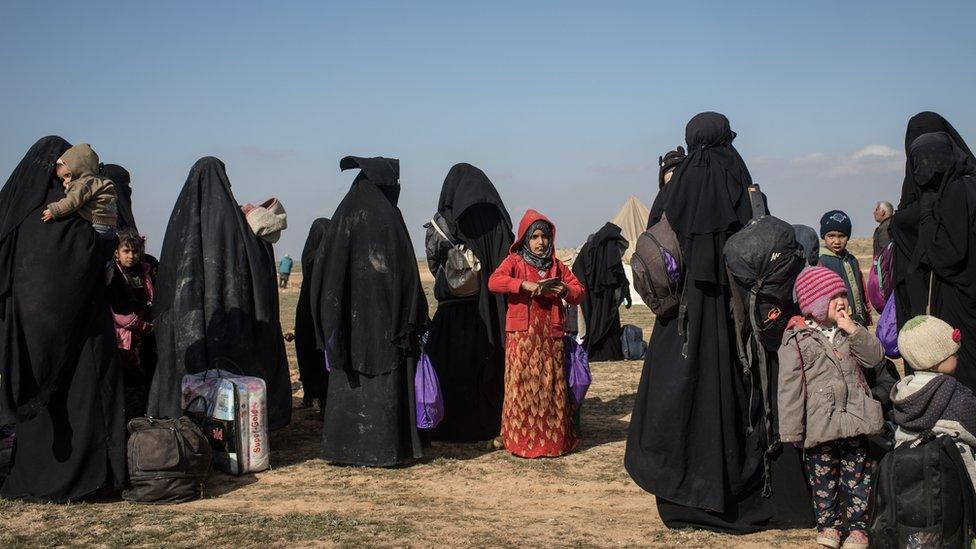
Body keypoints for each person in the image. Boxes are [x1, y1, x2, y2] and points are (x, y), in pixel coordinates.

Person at [626, 112, 814, 533]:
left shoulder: (671, 195)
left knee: (682, 400)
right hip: (735, 322)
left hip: (682, 325)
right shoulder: (739, 182)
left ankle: (683, 498)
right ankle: (741, 491)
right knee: (739, 396)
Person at [0, 136, 125, 501]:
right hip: (81, 334)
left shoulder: (18, 215)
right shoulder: (62, 214)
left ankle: (33, 475)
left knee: (40, 407)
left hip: (29, 334)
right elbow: (86, 256)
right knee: (81, 400)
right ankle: (87, 478)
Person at [148, 157, 292, 431]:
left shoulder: (180, 223)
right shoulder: (235, 223)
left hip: (193, 325)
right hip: (234, 325)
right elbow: (259, 266)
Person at [310, 156, 428, 466]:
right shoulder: (390, 219)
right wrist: (414, 316)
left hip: (347, 327)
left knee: (349, 382)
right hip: (388, 329)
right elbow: (407, 277)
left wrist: (328, 321)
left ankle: (342, 448)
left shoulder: (342, 217)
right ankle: (387, 449)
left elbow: (322, 278)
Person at [778, 266, 885, 549]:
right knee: (823, 480)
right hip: (819, 426)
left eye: (843, 294)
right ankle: (829, 526)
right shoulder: (796, 338)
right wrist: (792, 431)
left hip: (853, 420)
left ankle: (859, 528)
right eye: (833, 296)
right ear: (813, 303)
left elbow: (875, 358)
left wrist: (852, 329)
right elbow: (789, 387)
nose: (841, 301)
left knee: (858, 478)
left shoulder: (849, 330)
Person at [425, 163, 514, 443]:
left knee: (448, 372)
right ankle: (489, 423)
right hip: (489, 311)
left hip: (451, 313)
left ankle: (446, 426)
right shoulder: (497, 218)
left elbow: (433, 264)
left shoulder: (444, 222)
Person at [488, 209, 585, 458]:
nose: (540, 242)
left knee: (550, 385)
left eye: (544, 237)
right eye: (535, 237)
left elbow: (579, 291)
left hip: (550, 338)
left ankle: (552, 442)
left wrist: (564, 290)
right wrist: (523, 285)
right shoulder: (515, 262)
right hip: (522, 338)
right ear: (525, 239)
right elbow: (494, 282)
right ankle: (519, 441)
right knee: (522, 387)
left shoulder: (556, 266)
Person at [893, 131, 976, 392]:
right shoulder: (968, 186)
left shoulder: (953, 193)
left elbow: (946, 254)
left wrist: (928, 213)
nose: (926, 173)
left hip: (959, 303)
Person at [891, 316, 976, 479]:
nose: (957, 356)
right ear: (933, 359)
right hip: (958, 480)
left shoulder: (904, 393)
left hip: (917, 482)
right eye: (952, 353)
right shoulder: (955, 395)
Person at [108, 228, 157, 422]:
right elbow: (117, 312)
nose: (131, 256)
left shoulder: (144, 271)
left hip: (141, 339)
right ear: (117, 252)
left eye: (135, 251)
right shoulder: (113, 274)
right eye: (126, 251)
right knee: (128, 385)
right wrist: (141, 325)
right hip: (123, 340)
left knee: (141, 384)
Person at [572, 222, 631, 362]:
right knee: (604, 323)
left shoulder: (593, 249)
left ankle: (601, 351)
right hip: (600, 297)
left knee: (597, 322)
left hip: (595, 297)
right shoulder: (602, 249)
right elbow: (617, 273)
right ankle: (605, 352)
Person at [41, 143, 118, 240]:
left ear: (79, 169)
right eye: (62, 179)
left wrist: (54, 210)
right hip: (111, 226)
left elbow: (72, 202)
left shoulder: (83, 184)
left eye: (68, 175)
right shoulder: (100, 181)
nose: (66, 182)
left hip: (97, 226)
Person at [294, 218, 331, 409]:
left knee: (307, 353)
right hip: (325, 313)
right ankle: (325, 397)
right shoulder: (332, 254)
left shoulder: (309, 256)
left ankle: (310, 395)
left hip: (306, 311)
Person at [818, 210, 870, 326]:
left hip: (858, 319)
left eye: (841, 236)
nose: (837, 241)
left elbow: (861, 288)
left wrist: (865, 311)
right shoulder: (820, 261)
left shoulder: (852, 260)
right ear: (823, 236)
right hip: (834, 322)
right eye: (831, 236)